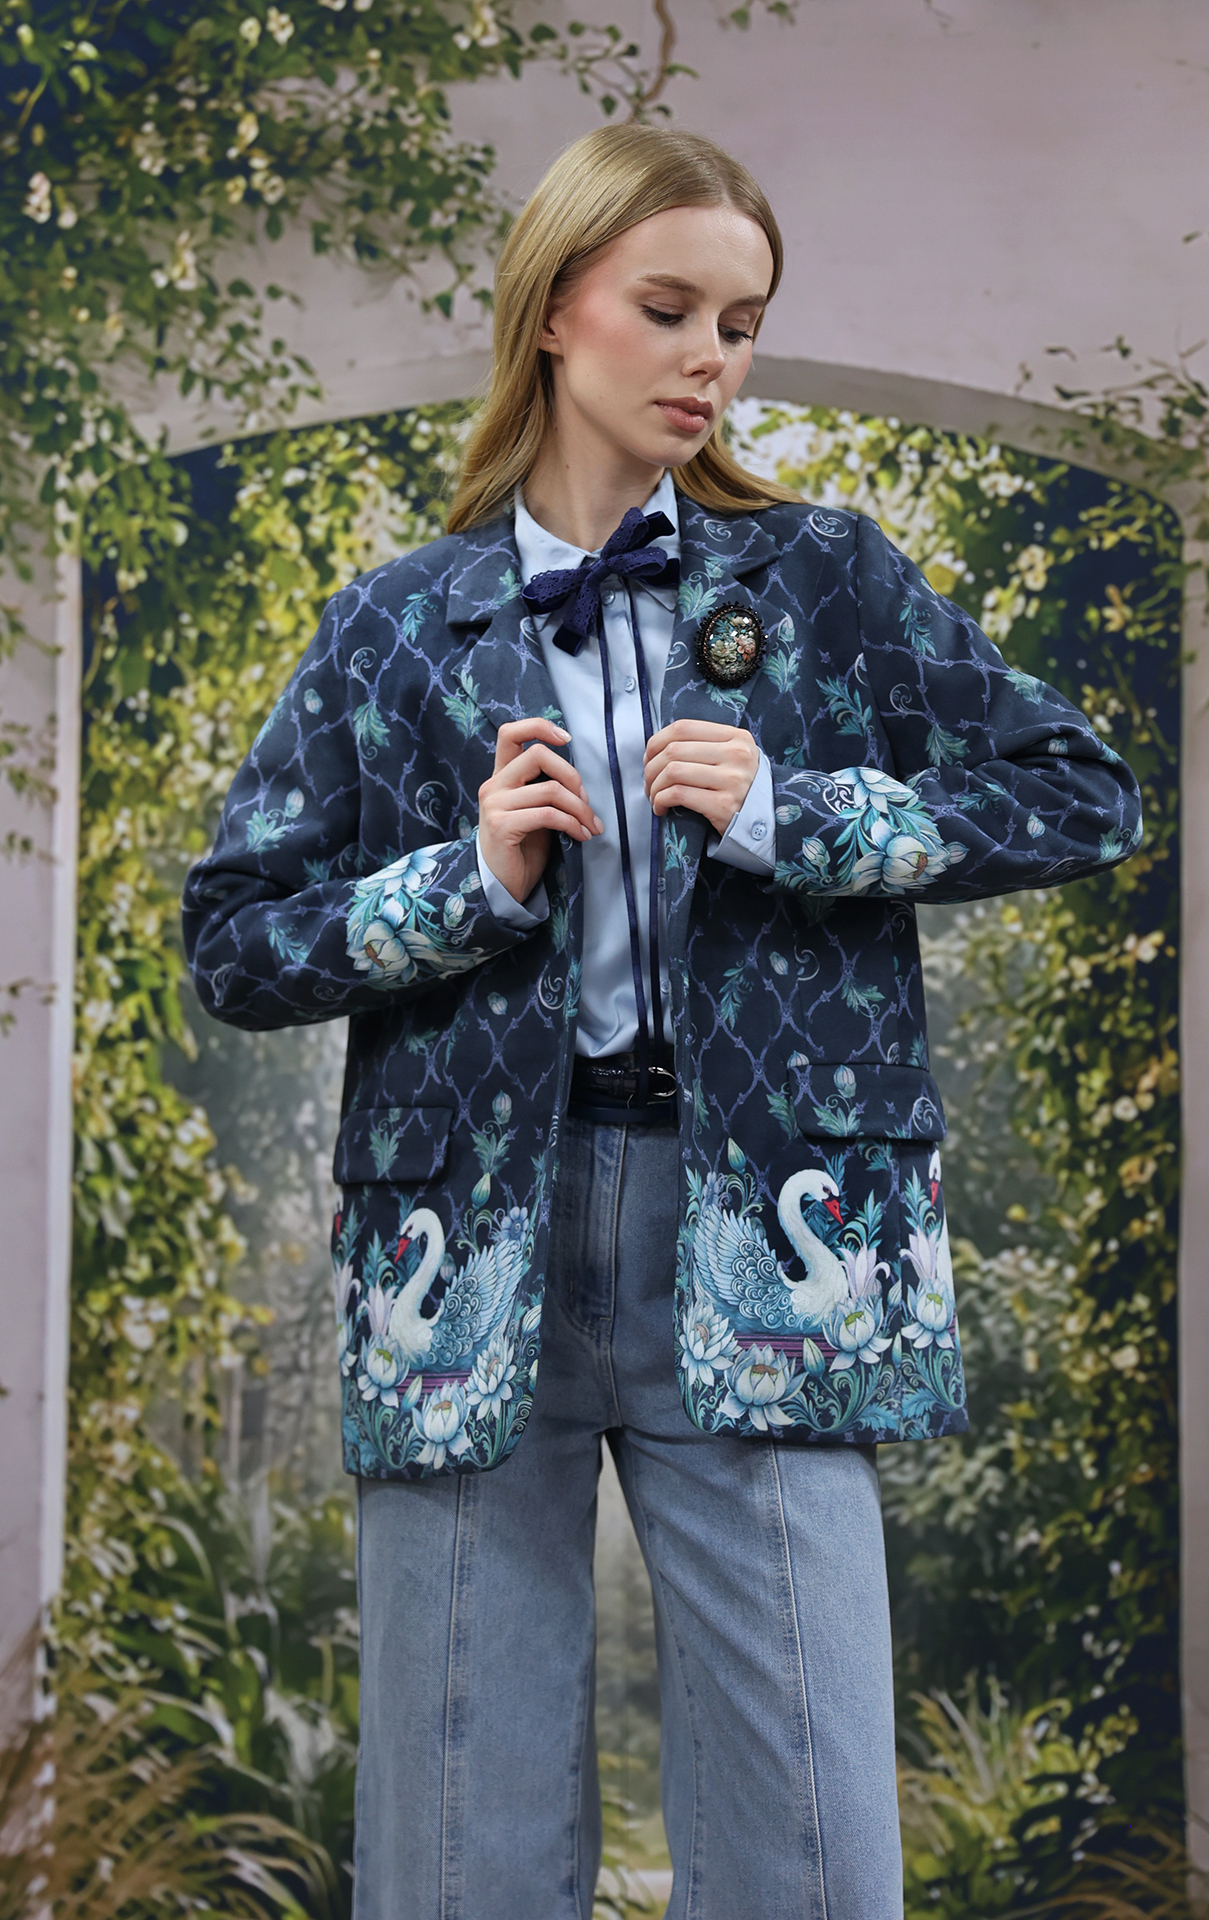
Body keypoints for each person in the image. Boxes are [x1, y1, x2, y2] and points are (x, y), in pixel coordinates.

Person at [184, 124, 1142, 1920]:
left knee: (815, 1855)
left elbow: (1083, 794)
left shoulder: (831, 579)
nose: (714, 358)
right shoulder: (393, 625)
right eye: (672, 307)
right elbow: (234, 942)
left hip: (772, 1237)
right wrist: (461, 883)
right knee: (457, 1859)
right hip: (466, 1255)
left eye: (744, 323)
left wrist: (802, 813)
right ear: (557, 309)